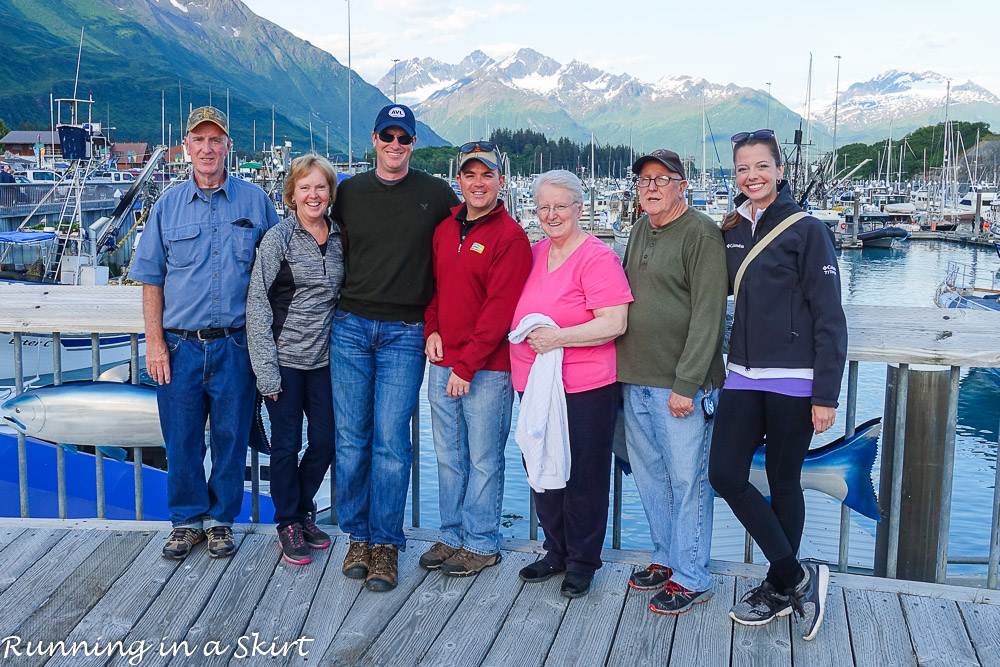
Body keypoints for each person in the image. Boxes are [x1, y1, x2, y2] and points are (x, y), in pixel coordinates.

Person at [708, 129, 847, 641]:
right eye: (743, 168)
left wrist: (825, 394)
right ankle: (797, 577)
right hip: (742, 375)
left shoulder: (807, 230)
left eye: (761, 167)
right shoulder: (731, 228)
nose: (752, 177)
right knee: (724, 474)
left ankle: (775, 586)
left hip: (795, 380)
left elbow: (830, 317)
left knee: (785, 482)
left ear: (780, 170)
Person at [129, 106, 280, 560]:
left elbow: (280, 272)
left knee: (233, 438)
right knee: (181, 439)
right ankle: (185, 520)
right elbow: (150, 278)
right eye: (200, 140)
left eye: (216, 140)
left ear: (227, 146)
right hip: (178, 346)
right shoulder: (167, 205)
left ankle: (220, 521)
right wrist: (154, 343)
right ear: (187, 146)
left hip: (237, 343)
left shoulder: (256, 202)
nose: (208, 148)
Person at [331, 104, 460, 592]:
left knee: (390, 441)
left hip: (406, 333)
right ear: (374, 139)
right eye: (387, 136)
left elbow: (466, 243)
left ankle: (386, 542)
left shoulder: (437, 193)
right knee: (351, 439)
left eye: (403, 138)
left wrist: (441, 320)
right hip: (348, 326)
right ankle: (356, 536)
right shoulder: (349, 192)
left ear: (412, 144)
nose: (394, 145)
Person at [509, 169, 632, 599]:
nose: (551, 214)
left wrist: (557, 337)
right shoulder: (534, 252)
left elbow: (615, 323)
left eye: (561, 205)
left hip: (585, 386)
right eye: (544, 206)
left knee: (583, 472)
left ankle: (582, 560)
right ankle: (555, 550)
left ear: (579, 208)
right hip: (533, 383)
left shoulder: (598, 257)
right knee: (539, 464)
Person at [616, 149, 728, 614]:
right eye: (644, 180)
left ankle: (692, 575)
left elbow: (709, 315)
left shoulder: (702, 232)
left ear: (683, 184)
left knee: (688, 481)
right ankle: (666, 558)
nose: (652, 187)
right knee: (650, 478)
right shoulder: (642, 226)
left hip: (679, 386)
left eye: (663, 179)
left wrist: (688, 383)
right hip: (635, 377)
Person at [420, 142, 531, 577]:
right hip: (442, 361)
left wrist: (466, 367)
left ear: (501, 182)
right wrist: (431, 328)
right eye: (470, 174)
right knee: (449, 456)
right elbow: (436, 288)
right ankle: (452, 535)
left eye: (487, 175)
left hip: (485, 370)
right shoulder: (445, 229)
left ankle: (482, 541)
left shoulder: (511, 237)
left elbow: (499, 311)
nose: (478, 183)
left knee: (484, 458)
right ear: (459, 181)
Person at [246, 154, 344, 565]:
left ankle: (303, 510)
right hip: (284, 360)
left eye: (320, 186)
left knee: (325, 441)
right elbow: (256, 304)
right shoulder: (278, 239)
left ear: (330, 192)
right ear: (292, 194)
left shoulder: (340, 237)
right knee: (285, 445)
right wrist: (265, 371)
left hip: (324, 361)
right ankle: (287, 520)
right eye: (305, 187)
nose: (313, 194)